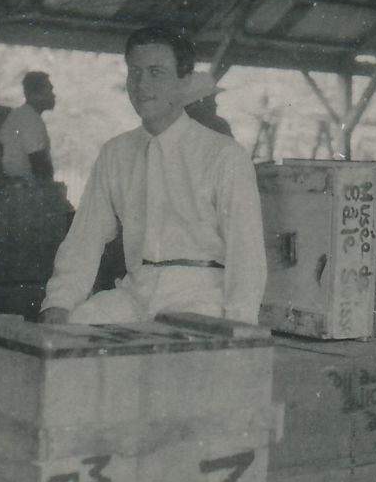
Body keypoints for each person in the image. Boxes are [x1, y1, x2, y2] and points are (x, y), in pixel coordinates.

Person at [40, 27, 266, 326]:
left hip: (202, 296)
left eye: (156, 72)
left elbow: (246, 253)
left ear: (184, 82)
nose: (142, 84)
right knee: (78, 325)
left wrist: (241, 326)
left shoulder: (224, 155)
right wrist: (57, 304)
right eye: (135, 72)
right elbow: (84, 239)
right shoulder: (115, 153)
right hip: (135, 291)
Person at [0, 71, 56, 181]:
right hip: (22, 186)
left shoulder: (28, 115)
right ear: (35, 95)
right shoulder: (28, 118)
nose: (53, 95)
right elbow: (38, 160)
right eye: (49, 90)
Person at [184, 72, 233, 137]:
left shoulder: (220, 125)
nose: (215, 105)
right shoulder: (218, 126)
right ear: (198, 102)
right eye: (210, 100)